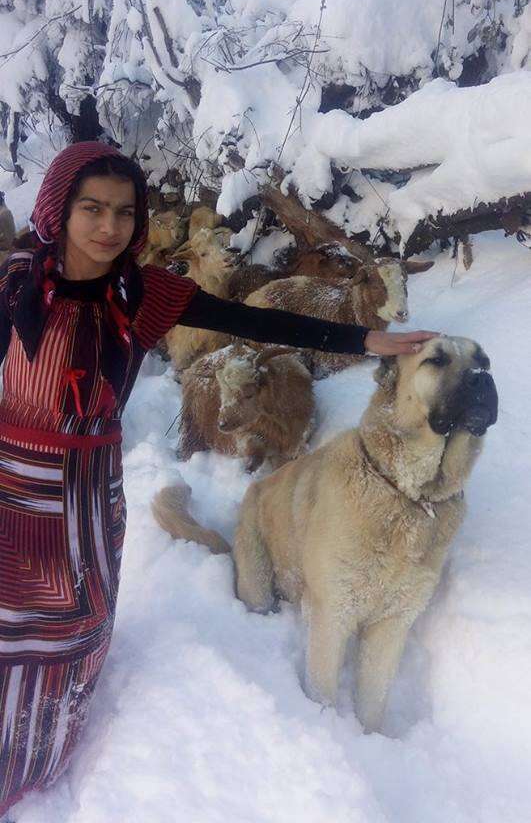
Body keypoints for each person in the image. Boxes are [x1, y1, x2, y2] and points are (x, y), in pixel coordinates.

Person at [0, 141, 436, 817]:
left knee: (75, 621)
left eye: (122, 211)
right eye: (92, 208)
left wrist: (362, 342)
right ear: (59, 208)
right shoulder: (14, 284)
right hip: (11, 481)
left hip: (86, 487)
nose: (109, 227)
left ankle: (40, 748)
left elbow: (250, 320)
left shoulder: (139, 294)